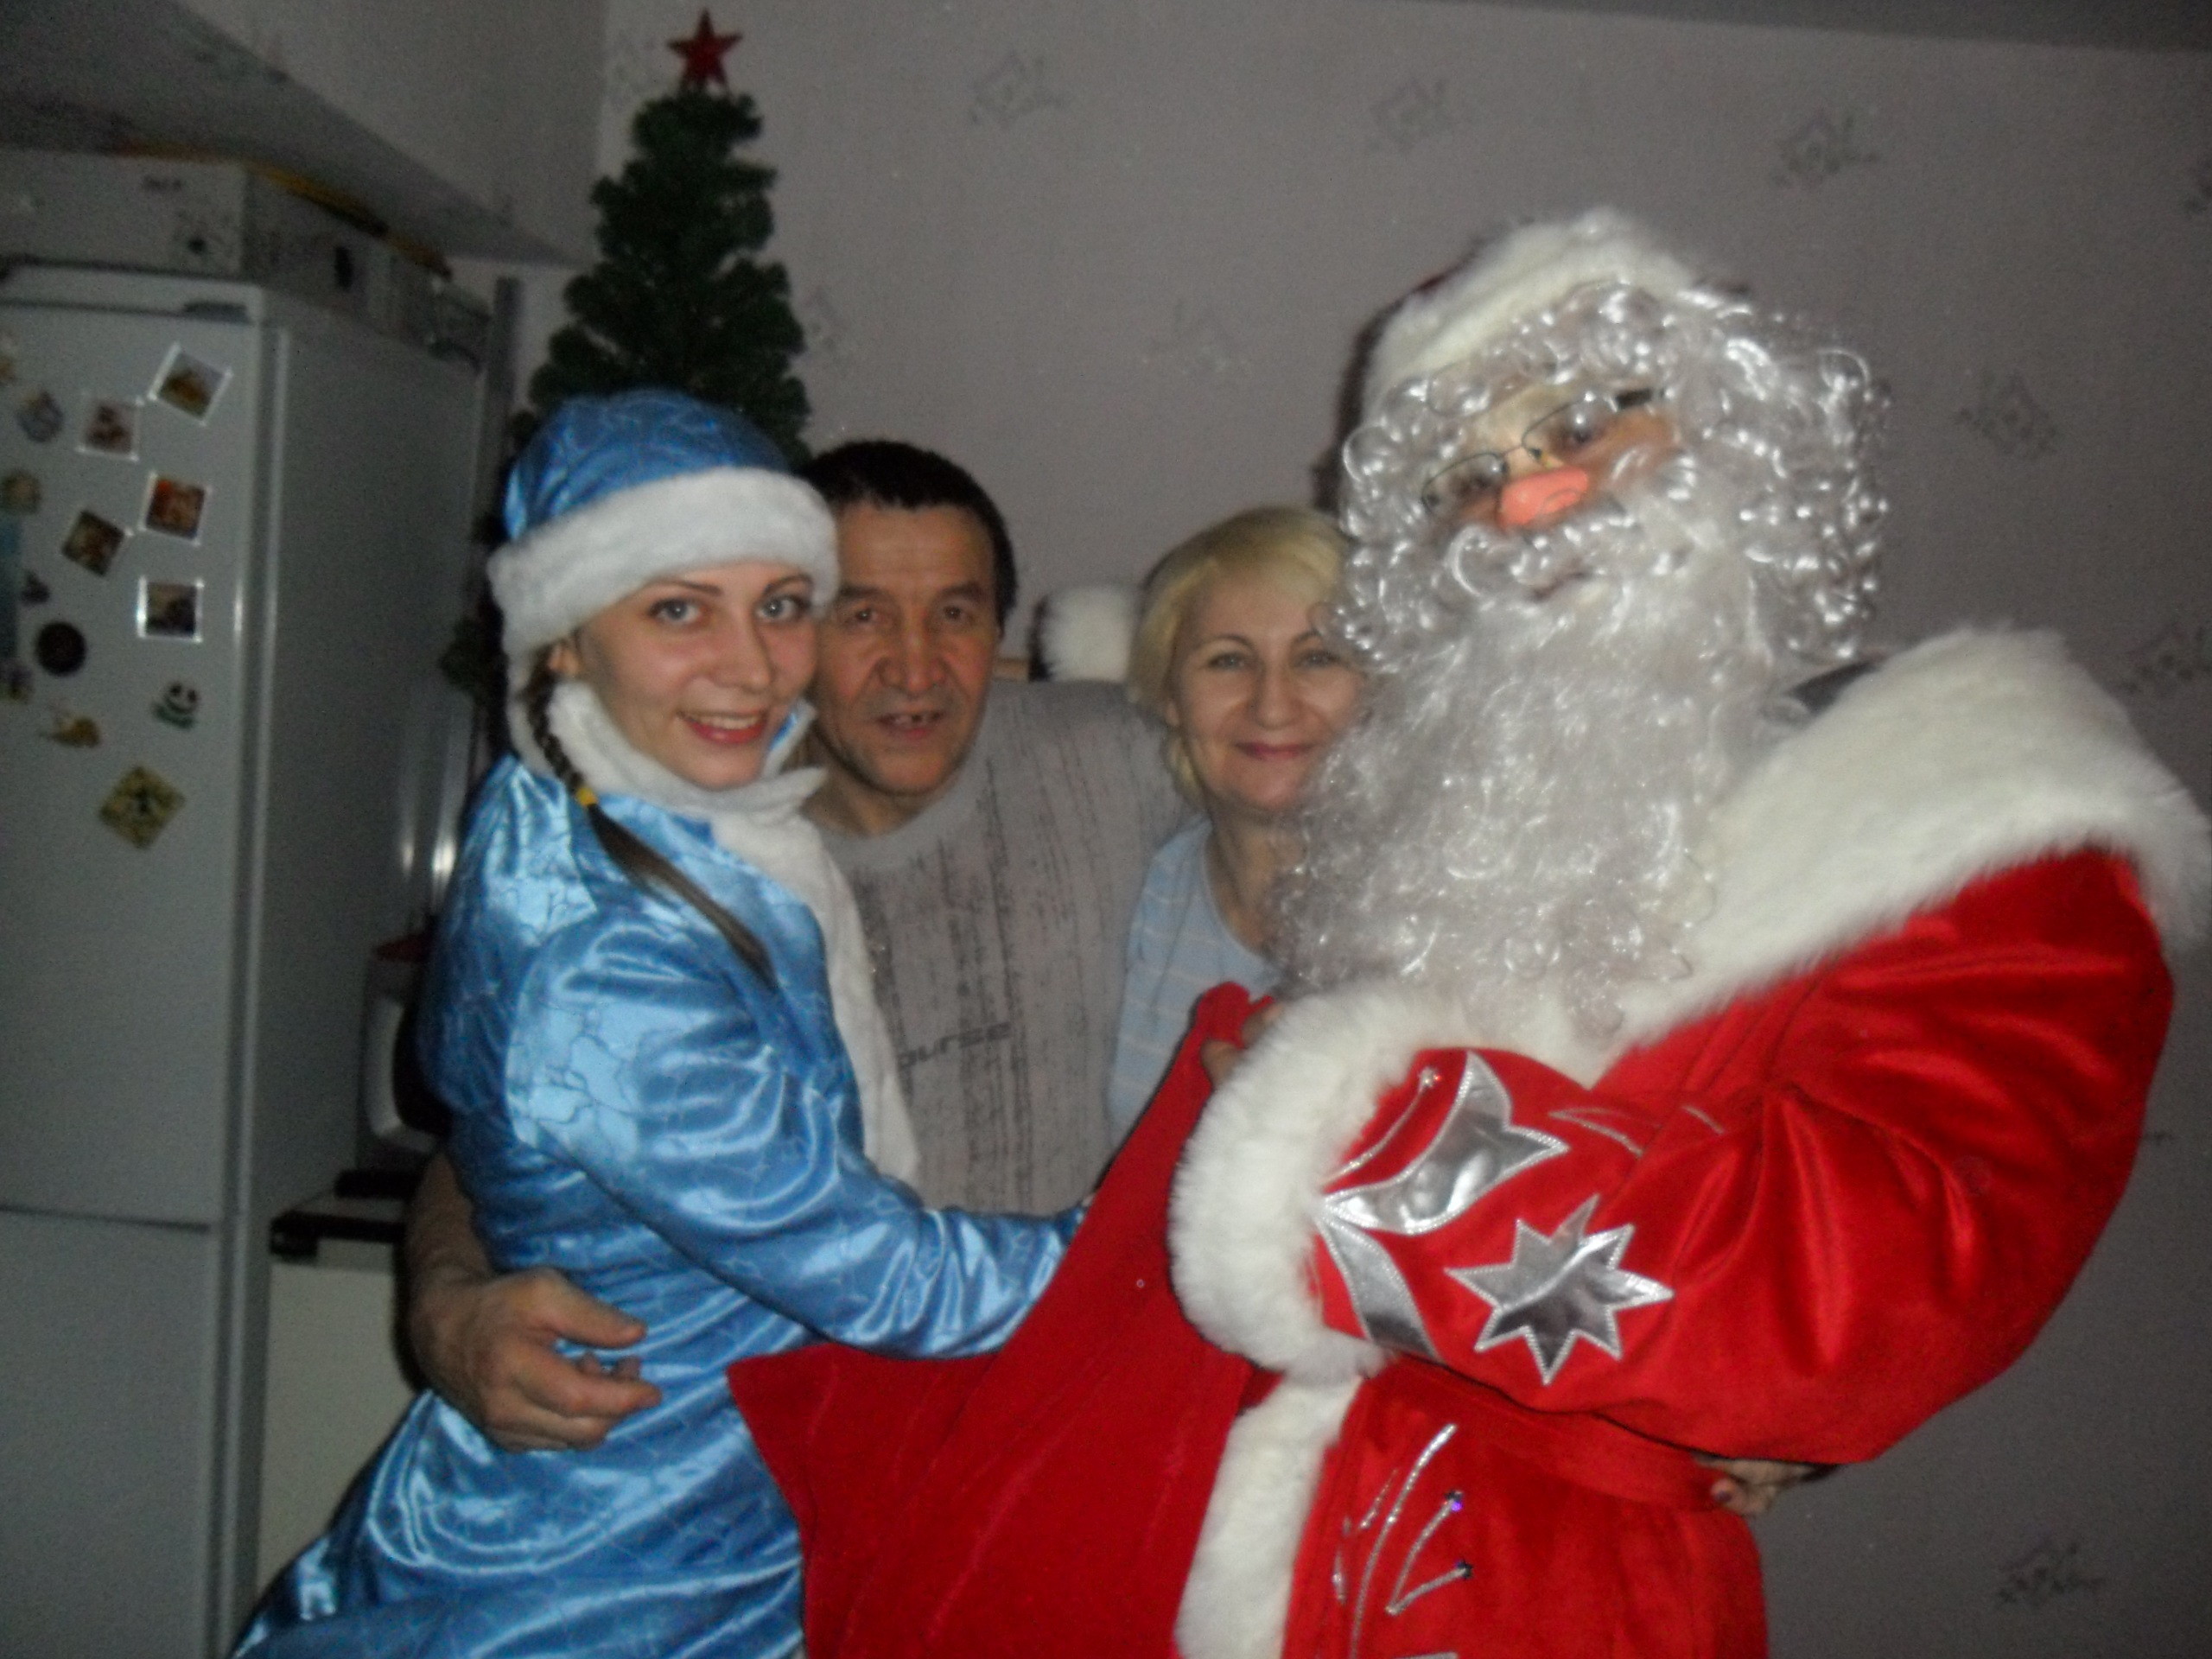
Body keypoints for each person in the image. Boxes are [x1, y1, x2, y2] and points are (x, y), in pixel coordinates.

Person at [722, 210, 2209, 1659]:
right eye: (1468, 476)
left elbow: (1879, 1291)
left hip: (1549, 1595)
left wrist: (1348, 1142)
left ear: (1732, 423)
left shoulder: (1974, 816)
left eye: (1582, 423)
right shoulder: (1448, 788)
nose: (1530, 502)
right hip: (1204, 1528)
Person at [233, 391, 1075, 1659]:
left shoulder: (575, 799)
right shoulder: (614, 958)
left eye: (780, 604)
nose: (751, 666)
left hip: (691, 1507)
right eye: (679, 609)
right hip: (630, 1568)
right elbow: (898, 1282)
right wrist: (1208, 1220)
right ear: (566, 638)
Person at [400, 436, 1185, 1454]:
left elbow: (1312, 733)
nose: (915, 666)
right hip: (793, 1461)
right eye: (860, 614)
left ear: (1002, 628)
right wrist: (446, 1303)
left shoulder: (1115, 759)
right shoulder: (685, 856)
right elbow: (500, 1136)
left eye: (955, 614)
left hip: (1081, 1416)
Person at [1104, 506, 1357, 1139]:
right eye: (1227, 662)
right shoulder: (1129, 900)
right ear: (1170, 695)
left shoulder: (1438, 923)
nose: (1272, 706)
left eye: (1317, 658)